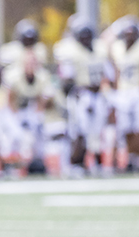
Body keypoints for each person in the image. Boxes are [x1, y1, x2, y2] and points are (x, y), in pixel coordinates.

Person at [54, 15, 111, 176]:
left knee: (98, 131)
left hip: (98, 95)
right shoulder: (69, 51)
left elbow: (110, 74)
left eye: (88, 35)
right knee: (79, 131)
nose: (86, 39)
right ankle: (77, 163)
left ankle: (98, 163)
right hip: (80, 96)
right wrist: (80, 94)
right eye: (82, 36)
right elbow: (66, 81)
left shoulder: (100, 49)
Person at [111, 16, 139, 171]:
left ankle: (136, 158)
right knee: (126, 128)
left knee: (137, 127)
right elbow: (116, 70)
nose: (130, 36)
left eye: (132, 33)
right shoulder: (117, 48)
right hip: (123, 92)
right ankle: (131, 157)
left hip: (136, 90)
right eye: (127, 33)